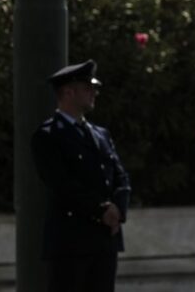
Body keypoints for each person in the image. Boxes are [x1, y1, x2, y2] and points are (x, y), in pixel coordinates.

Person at [31, 59, 131, 292]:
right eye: (88, 88)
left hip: (105, 240)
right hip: (70, 243)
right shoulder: (48, 136)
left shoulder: (101, 134)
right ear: (68, 92)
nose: (94, 93)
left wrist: (118, 211)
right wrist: (101, 210)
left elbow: (120, 177)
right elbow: (61, 184)